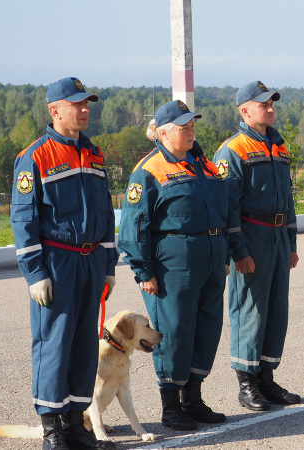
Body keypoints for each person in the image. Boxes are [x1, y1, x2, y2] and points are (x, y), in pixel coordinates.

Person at [11, 76, 117, 449]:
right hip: (57, 262)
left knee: (84, 344)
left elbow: (105, 211)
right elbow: (24, 219)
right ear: (55, 110)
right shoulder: (35, 156)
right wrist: (35, 273)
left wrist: (108, 263)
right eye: (77, 104)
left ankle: (75, 424)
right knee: (53, 345)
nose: (85, 110)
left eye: (87, 103)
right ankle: (53, 430)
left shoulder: (95, 153)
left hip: (90, 261)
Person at [118, 100, 229, 431]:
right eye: (184, 127)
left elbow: (222, 211)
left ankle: (192, 400)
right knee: (175, 332)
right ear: (163, 132)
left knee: (206, 329)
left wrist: (222, 256)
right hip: (173, 261)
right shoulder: (149, 170)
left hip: (210, 256)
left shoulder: (203, 164)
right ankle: (171, 406)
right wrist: (144, 271)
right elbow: (134, 226)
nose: (191, 131)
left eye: (193, 125)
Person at [214, 80, 300, 411]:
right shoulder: (232, 150)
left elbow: (288, 200)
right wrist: (239, 251)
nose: (271, 107)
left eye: (272, 102)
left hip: (278, 238)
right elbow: (228, 208)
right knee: (250, 309)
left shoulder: (278, 147)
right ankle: (246, 382)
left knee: (276, 309)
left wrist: (291, 241)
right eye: (264, 103)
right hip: (252, 236)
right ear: (245, 110)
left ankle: (266, 378)